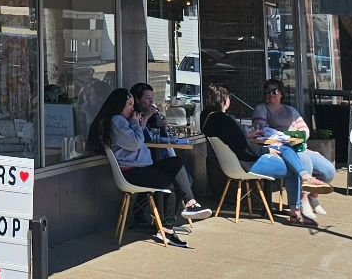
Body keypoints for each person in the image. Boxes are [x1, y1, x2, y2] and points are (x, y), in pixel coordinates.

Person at [88, 87, 209, 246]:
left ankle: (190, 203)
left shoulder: (123, 121)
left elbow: (140, 139)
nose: (132, 108)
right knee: (170, 182)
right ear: (119, 106)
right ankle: (167, 229)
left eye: (132, 104)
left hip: (142, 167)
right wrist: (136, 123)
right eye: (129, 105)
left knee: (176, 163)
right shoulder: (117, 121)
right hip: (132, 172)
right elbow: (136, 143)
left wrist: (141, 123)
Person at [200, 83, 311, 226]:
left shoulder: (207, 118)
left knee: (283, 150)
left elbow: (233, 140)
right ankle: (295, 211)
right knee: (291, 167)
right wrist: (266, 150)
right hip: (247, 164)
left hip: (229, 164)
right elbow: (244, 149)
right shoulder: (226, 120)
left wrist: (248, 136)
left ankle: (305, 176)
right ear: (224, 100)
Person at [251, 78, 336, 220]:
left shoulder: (291, 110)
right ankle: (302, 200)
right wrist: (289, 135)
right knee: (305, 163)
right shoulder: (262, 108)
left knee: (329, 171)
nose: (270, 94)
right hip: (282, 149)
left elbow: (305, 131)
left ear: (281, 93)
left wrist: (293, 136)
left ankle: (312, 197)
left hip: (299, 147)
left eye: (274, 91)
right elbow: (263, 130)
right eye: (267, 91)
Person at [130, 82, 212, 220]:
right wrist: (147, 117)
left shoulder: (151, 116)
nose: (151, 101)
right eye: (147, 98)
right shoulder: (133, 118)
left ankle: (186, 206)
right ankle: (167, 220)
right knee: (172, 175)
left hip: (151, 158)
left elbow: (160, 138)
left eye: (153, 98)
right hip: (138, 163)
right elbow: (139, 140)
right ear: (137, 100)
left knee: (176, 165)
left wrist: (162, 124)